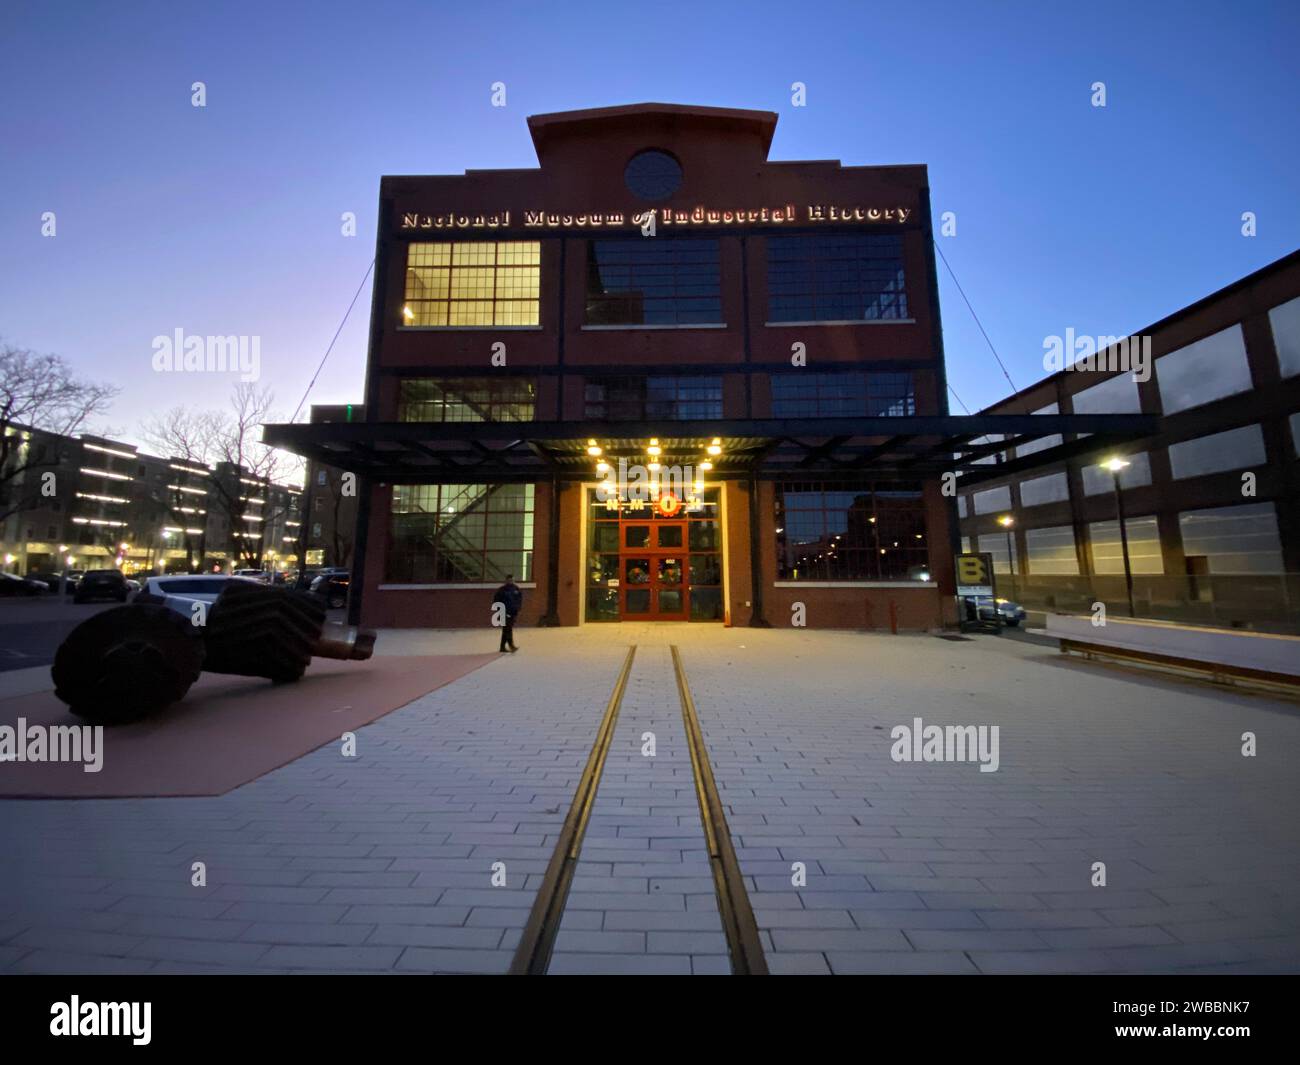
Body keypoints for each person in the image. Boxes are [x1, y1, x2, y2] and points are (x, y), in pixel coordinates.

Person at [492, 574, 522, 653]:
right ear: (506, 580)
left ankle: (502, 647)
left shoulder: (516, 589)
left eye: (511, 580)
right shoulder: (502, 590)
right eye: (509, 580)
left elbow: (519, 600)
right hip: (503, 612)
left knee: (506, 630)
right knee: (508, 629)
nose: (510, 581)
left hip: (512, 612)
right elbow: (496, 601)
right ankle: (511, 645)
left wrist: (518, 609)